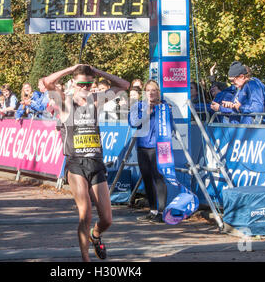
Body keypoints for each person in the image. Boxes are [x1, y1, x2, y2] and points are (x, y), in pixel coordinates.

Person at [43, 64, 130, 262]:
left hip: (96, 163)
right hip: (76, 164)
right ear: (73, 83)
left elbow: (124, 85)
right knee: (85, 214)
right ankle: (86, 260)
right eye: (81, 84)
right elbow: (48, 82)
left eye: (89, 85)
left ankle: (96, 235)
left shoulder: (96, 101)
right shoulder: (65, 101)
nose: (85, 88)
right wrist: (71, 68)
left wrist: (99, 72)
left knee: (107, 220)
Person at [129, 80, 171, 224]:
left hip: (158, 147)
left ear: (158, 92)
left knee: (158, 178)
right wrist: (146, 113)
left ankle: (161, 212)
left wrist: (162, 109)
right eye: (148, 90)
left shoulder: (164, 106)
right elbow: (134, 123)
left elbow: (170, 125)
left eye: (154, 90)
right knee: (147, 178)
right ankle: (152, 210)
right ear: (144, 92)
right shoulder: (138, 106)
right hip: (142, 146)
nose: (151, 93)